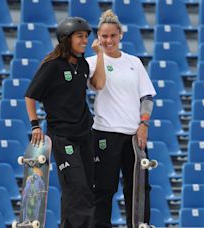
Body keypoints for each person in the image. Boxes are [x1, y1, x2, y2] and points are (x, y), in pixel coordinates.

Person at [25, 17, 105, 227]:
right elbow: (30, 96)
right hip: (62, 137)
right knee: (77, 186)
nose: (85, 40)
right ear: (66, 39)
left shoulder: (84, 64)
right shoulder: (52, 66)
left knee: (84, 186)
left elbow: (98, 84)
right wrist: (35, 125)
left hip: (85, 134)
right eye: (80, 36)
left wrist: (101, 55)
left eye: (87, 36)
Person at [85, 10, 156, 228]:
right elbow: (97, 85)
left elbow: (146, 96)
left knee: (138, 188)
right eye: (104, 36)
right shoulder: (90, 62)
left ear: (120, 35)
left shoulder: (134, 62)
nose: (108, 41)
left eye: (112, 36)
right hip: (105, 132)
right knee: (103, 188)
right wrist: (99, 56)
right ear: (98, 36)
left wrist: (143, 124)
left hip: (134, 136)